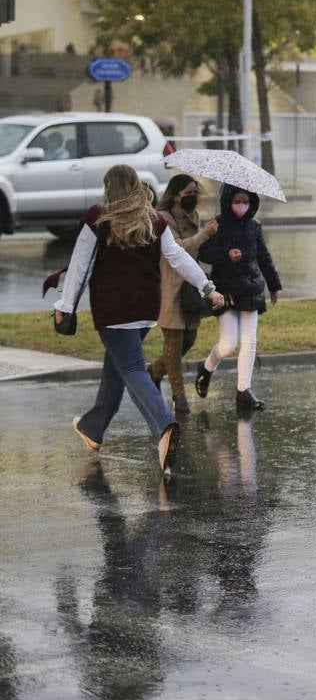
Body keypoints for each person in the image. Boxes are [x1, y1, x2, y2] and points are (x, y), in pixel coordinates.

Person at [53, 164, 224, 473]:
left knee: (131, 367)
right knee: (116, 366)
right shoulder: (155, 221)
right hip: (147, 310)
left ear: (110, 189)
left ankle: (164, 426)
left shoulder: (98, 219)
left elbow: (79, 266)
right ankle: (93, 428)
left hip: (112, 309)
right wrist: (206, 286)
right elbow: (178, 258)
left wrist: (64, 305)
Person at [195, 183, 282, 411]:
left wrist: (274, 285)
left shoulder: (254, 226)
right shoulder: (218, 224)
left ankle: (244, 391)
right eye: (237, 201)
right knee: (228, 344)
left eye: (246, 201)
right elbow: (204, 253)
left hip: (250, 288)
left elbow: (263, 257)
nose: (242, 205)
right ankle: (206, 368)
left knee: (250, 342)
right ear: (228, 201)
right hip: (224, 290)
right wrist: (225, 254)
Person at [148, 174, 219, 416]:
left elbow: (195, 252)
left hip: (189, 287)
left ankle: (155, 372)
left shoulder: (195, 216)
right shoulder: (163, 218)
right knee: (173, 341)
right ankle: (179, 397)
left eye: (195, 192)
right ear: (176, 194)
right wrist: (204, 235)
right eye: (188, 192)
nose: (193, 196)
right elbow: (177, 250)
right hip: (169, 285)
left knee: (188, 339)